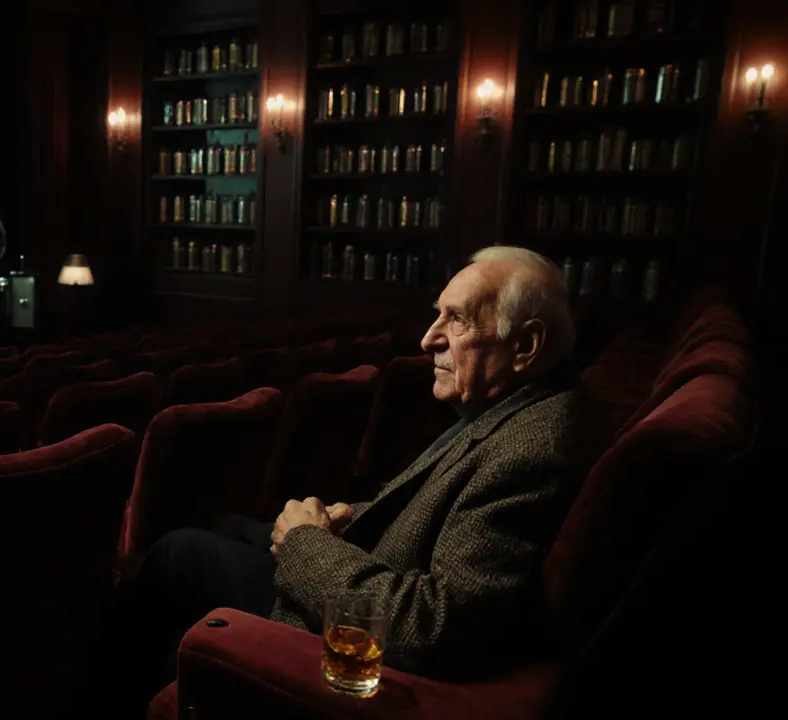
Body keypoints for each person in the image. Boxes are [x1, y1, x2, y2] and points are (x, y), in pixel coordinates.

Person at [114, 246, 609, 710]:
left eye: (455, 320)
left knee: (178, 553)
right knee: (227, 526)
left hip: (347, 627)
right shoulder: (527, 406)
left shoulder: (534, 449)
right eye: (437, 314)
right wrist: (347, 518)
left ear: (525, 344)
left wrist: (308, 542)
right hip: (370, 561)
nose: (428, 338)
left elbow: (434, 627)